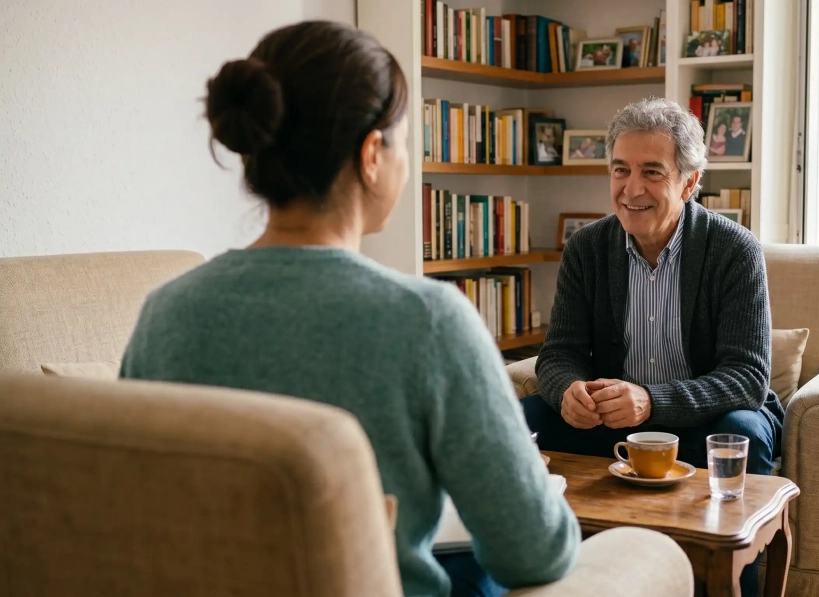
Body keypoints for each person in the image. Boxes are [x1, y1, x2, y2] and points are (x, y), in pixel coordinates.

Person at [118, 20, 579, 597]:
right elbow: (534, 552)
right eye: (404, 143)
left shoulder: (164, 314)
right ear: (371, 155)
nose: (407, 162)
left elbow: (129, 515)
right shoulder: (428, 320)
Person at [520, 97, 783, 597]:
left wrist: (651, 401)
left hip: (703, 421)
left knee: (741, 432)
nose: (632, 189)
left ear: (689, 182)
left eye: (652, 172)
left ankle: (730, 582)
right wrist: (567, 390)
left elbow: (748, 377)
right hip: (613, 422)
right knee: (521, 419)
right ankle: (543, 571)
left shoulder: (735, 250)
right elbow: (559, 354)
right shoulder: (586, 248)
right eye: (621, 169)